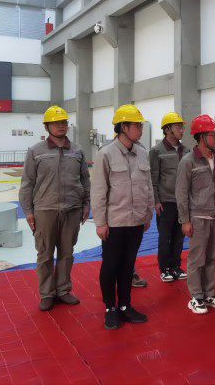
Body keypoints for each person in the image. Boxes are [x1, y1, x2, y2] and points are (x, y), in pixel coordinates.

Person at [19, 105, 90, 312]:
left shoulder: (77, 150)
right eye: (56, 123)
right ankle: (46, 293)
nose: (61, 126)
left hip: (72, 209)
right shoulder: (36, 151)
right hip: (45, 209)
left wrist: (86, 204)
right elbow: (27, 183)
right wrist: (28, 211)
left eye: (64, 122)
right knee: (45, 254)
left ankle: (63, 290)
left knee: (67, 253)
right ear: (47, 126)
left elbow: (85, 180)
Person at [91, 104, 154, 330]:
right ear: (123, 127)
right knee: (111, 265)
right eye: (137, 125)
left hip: (136, 221)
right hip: (115, 222)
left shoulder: (143, 153)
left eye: (140, 125)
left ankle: (125, 306)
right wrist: (100, 222)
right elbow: (98, 191)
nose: (140, 129)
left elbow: (148, 186)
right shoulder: (106, 154)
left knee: (128, 265)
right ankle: (111, 308)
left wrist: (147, 214)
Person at [176, 115, 215, 314]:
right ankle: (196, 297)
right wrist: (185, 220)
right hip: (198, 218)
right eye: (212, 135)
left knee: (211, 258)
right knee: (196, 259)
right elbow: (181, 193)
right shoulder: (188, 161)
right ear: (201, 137)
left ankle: (209, 294)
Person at [150, 112, 190, 282]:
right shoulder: (156, 151)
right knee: (165, 237)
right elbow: (153, 178)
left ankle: (175, 266)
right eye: (177, 127)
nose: (181, 130)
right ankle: (165, 268)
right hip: (166, 201)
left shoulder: (186, 150)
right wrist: (156, 200)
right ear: (167, 129)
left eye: (182, 127)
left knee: (179, 237)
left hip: (183, 202)